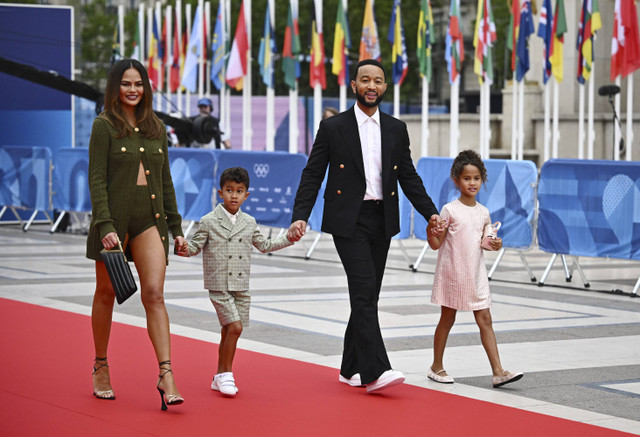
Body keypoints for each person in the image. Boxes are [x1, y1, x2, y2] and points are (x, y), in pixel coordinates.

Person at [287, 59, 446, 393]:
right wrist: (300, 214)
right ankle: (375, 370)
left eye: (377, 81)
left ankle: (349, 368)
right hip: (348, 219)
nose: (371, 86)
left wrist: (430, 212)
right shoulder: (334, 128)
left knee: (368, 295)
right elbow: (313, 173)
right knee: (362, 293)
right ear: (354, 85)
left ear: (385, 87)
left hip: (382, 219)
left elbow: (408, 176)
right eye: (365, 80)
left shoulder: (395, 128)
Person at [86, 58, 185, 410]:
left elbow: (166, 181)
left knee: (155, 294)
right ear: (115, 87)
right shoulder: (103, 126)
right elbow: (96, 179)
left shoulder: (155, 126)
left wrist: (175, 228)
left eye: (138, 84)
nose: (133, 90)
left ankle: (166, 373)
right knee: (106, 291)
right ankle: (100, 365)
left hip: (150, 221)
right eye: (126, 84)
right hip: (113, 222)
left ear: (146, 88)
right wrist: (105, 226)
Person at [177, 167, 294, 396]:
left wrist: (289, 238)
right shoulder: (209, 221)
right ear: (220, 192)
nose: (233, 195)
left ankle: (218, 376)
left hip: (241, 286)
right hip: (219, 284)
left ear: (246, 195)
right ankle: (227, 374)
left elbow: (264, 246)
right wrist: (182, 247)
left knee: (227, 330)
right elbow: (194, 247)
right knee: (236, 327)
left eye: (239, 191)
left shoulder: (249, 222)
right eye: (229, 190)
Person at [426, 150, 523, 388]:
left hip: (476, 274)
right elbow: (436, 245)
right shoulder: (449, 210)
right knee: (447, 319)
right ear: (456, 180)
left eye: (477, 178)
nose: (472, 183)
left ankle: (498, 372)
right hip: (453, 274)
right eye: (467, 178)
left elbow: (485, 243)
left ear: (483, 180)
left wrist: (496, 245)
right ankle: (436, 366)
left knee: (485, 319)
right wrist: (431, 232)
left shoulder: (484, 213)